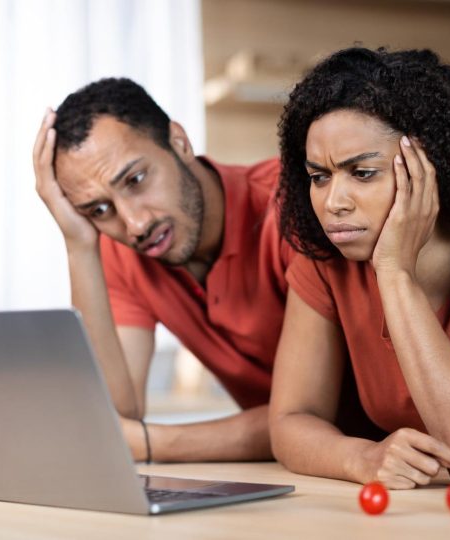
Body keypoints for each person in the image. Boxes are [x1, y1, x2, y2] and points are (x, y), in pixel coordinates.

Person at [269, 47, 450, 488]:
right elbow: (291, 419)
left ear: (430, 166)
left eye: (362, 173)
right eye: (319, 177)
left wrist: (395, 272)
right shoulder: (327, 257)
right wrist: (362, 458)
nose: (333, 202)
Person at [33, 77, 296, 462]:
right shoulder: (120, 252)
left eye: (136, 180)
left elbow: (319, 417)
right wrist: (79, 246)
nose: (135, 224)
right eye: (99, 210)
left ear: (179, 142)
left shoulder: (295, 205)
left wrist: (149, 444)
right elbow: (114, 415)